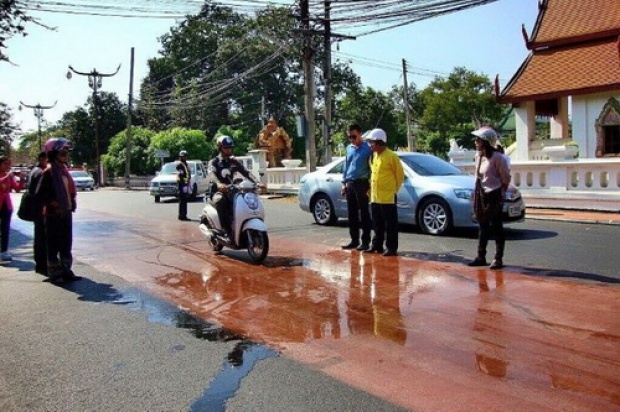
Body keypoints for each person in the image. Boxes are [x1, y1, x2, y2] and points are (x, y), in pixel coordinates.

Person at [35, 138, 81, 283]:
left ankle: (66, 271)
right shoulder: (48, 172)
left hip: (66, 212)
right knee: (53, 244)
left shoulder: (64, 171)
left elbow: (70, 191)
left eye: (66, 153)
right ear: (53, 154)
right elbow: (40, 195)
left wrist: (70, 203)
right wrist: (54, 204)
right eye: (62, 153)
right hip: (53, 214)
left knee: (66, 243)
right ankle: (55, 274)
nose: (65, 156)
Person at [468, 126, 511, 270]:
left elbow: (505, 178)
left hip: (494, 194)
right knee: (483, 226)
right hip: (481, 194)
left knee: (497, 226)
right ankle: (481, 256)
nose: (476, 142)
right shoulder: (478, 156)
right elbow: (478, 176)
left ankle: (498, 258)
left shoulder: (498, 158)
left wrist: (501, 193)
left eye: (478, 139)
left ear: (486, 141)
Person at [207, 135, 258, 238]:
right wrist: (219, 184)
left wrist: (257, 182)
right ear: (220, 148)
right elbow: (211, 175)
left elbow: (246, 172)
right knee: (221, 201)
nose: (229, 149)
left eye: (230, 147)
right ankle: (226, 230)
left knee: (243, 199)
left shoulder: (233, 161)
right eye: (226, 147)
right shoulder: (214, 162)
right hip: (218, 191)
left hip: (231, 188)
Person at [365, 128, 404, 257]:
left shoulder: (391, 156)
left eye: (372, 142)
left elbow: (400, 176)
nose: (370, 145)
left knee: (390, 224)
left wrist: (393, 190)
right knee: (377, 223)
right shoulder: (374, 156)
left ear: (380, 142)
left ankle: (391, 248)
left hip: (388, 197)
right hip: (375, 197)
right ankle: (377, 245)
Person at [340, 124, 373, 250]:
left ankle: (365, 241)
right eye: (349, 137)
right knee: (352, 214)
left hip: (362, 183)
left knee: (364, 214)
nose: (352, 139)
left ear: (360, 134)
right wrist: (343, 183)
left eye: (354, 136)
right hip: (350, 184)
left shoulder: (368, 149)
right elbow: (346, 166)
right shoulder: (349, 148)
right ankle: (354, 240)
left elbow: (372, 167)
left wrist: (370, 185)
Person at [0, 155, 24, 261]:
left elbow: (17, 188)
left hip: (6, 205)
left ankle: (4, 251)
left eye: (9, 164)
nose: (8, 166)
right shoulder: (6, 176)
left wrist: (22, 180)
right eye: (5, 164)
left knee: (5, 229)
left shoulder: (9, 176)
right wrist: (7, 177)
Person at [28, 151, 48, 274]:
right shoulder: (40, 172)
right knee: (42, 237)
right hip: (40, 209)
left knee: (39, 237)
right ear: (41, 159)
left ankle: (40, 264)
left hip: (36, 208)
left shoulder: (34, 171)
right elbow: (40, 192)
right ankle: (42, 264)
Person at [176, 150, 191, 221]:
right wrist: (184, 183)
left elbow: (188, 173)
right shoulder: (179, 165)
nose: (185, 158)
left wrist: (188, 181)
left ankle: (184, 214)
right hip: (182, 184)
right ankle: (181, 215)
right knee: (182, 200)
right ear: (180, 157)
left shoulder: (186, 164)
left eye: (186, 156)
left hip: (185, 184)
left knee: (185, 200)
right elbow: (180, 175)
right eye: (183, 156)